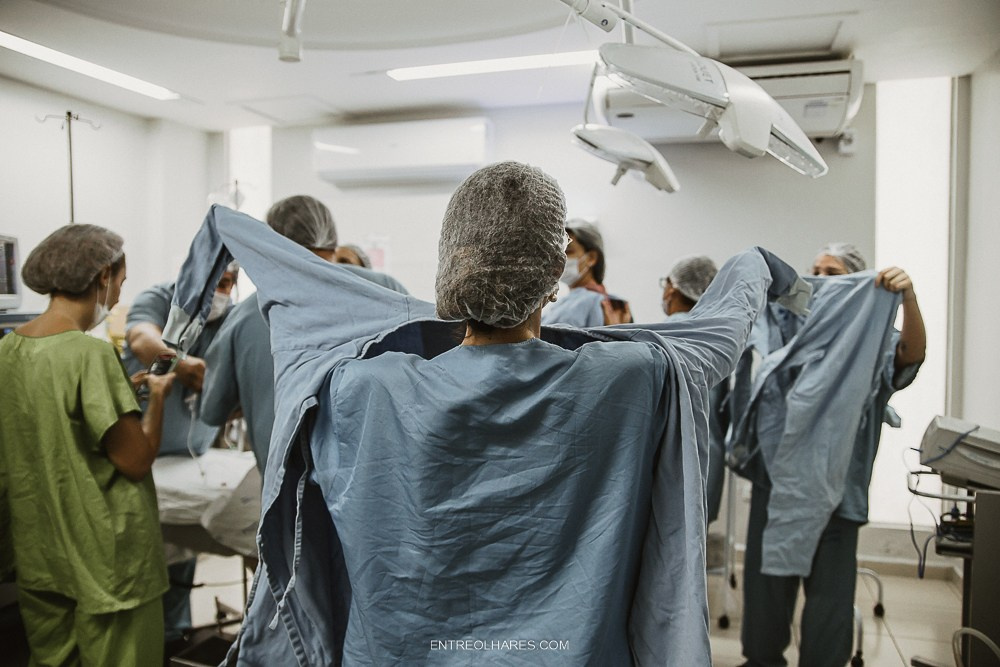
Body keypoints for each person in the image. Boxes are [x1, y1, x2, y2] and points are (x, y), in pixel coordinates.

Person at [165, 161, 810, 665]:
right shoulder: (634, 376)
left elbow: (300, 319)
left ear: (451, 265)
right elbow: (721, 330)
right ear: (554, 274)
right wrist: (766, 268)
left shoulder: (359, 389)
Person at [737, 242, 926, 667]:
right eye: (814, 270)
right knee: (766, 594)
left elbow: (910, 356)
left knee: (828, 604)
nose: (820, 279)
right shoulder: (789, 327)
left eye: (834, 273)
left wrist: (907, 298)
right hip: (778, 483)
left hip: (837, 489)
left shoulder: (870, 341)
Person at [0, 224, 174, 665]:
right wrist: (156, 398)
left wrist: (118, 392)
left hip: (41, 559)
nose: (117, 297)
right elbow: (134, 460)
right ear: (101, 277)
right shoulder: (90, 354)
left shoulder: (8, 351)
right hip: (108, 564)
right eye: (120, 283)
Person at [201, 195, 409, 473]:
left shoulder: (247, 315)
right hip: (375, 495)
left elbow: (213, 411)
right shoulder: (386, 291)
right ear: (332, 241)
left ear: (270, 243)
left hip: (287, 503)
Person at [121, 262, 239, 651]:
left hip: (194, 456)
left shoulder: (232, 317)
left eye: (230, 282)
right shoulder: (158, 300)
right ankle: (155, 641)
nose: (224, 290)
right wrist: (181, 365)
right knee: (150, 563)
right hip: (144, 453)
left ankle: (174, 636)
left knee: (182, 555)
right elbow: (142, 340)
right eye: (217, 281)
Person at [660, 256, 727, 524]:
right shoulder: (718, 339)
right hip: (707, 464)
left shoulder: (661, 336)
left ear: (671, 288)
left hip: (669, 465)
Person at [542, 218, 632, 327]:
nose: (559, 259)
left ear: (591, 258)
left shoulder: (608, 305)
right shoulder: (564, 303)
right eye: (558, 253)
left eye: (568, 252)